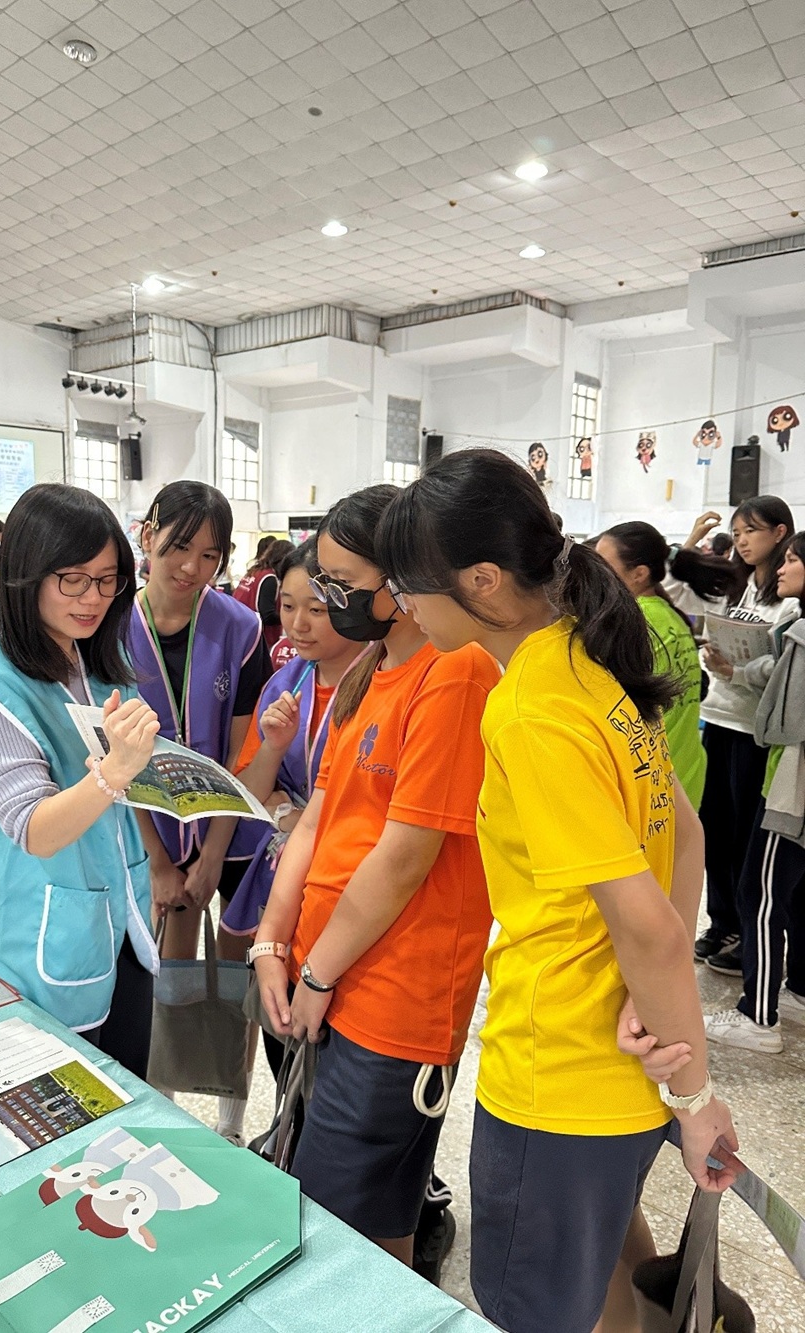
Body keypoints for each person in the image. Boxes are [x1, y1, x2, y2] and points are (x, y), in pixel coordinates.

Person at [378, 449, 738, 1333]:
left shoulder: (531, 709)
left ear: (483, 580)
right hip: (620, 1071)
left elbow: (651, 927)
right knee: (607, 1262)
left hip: (559, 1072)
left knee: (534, 1305)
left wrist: (697, 1097)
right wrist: (665, 1023)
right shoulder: (592, 657)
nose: (400, 603)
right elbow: (683, 836)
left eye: (408, 583)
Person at [253, 484, 499, 1270]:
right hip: (328, 972)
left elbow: (404, 855)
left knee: (352, 1230)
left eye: (340, 584)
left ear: (401, 579)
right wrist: (271, 940)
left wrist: (318, 971)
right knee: (339, 1206)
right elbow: (317, 821)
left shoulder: (455, 671)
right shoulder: (370, 669)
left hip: (394, 996)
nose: (327, 601)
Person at [0, 484, 160, 1077]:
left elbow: (125, 793)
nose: (93, 598)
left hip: (122, 924)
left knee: (129, 1089)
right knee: (64, 1109)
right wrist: (115, 771)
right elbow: (35, 830)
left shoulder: (97, 662)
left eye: (108, 580)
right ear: (27, 575)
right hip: (40, 937)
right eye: (73, 579)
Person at [128, 481, 271, 1134]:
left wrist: (213, 852)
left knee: (237, 981)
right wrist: (160, 862)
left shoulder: (240, 628)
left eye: (210, 555)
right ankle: (165, 1113)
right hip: (150, 826)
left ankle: (232, 1123)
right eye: (179, 546)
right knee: (173, 974)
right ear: (148, 534)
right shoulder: (112, 627)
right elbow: (112, 757)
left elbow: (242, 752)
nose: (191, 567)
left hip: (231, 831)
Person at [222, 539, 365, 1065]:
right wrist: (275, 750)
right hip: (283, 881)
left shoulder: (380, 683)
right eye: (287, 606)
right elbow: (251, 790)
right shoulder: (285, 683)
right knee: (280, 1031)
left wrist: (293, 811)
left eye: (317, 610)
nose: (298, 624)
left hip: (350, 886)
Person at [705, 531, 805, 1052]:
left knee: (759, 892)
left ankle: (758, 1016)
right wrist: (742, 669)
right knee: (796, 889)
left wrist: (748, 692)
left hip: (792, 785)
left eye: (791, 559)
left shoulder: (801, 633)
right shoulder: (796, 629)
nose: (782, 569)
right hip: (791, 780)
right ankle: (800, 987)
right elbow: (776, 667)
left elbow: (787, 713)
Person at [697, 496, 799, 972]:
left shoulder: (790, 599)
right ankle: (722, 922)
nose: (741, 541)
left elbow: (780, 668)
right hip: (717, 717)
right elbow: (681, 593)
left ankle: (746, 928)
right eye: (736, 532)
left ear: (779, 533)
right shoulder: (737, 588)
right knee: (714, 828)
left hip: (753, 730)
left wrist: (736, 670)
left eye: (751, 531)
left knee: (745, 834)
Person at [595, 522, 738, 809]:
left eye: (603, 565)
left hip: (649, 780)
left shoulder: (632, 623)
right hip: (685, 772)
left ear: (639, 574)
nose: (595, 573)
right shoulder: (672, 616)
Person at [234, 538, 295, 651]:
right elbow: (267, 615)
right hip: (259, 638)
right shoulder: (269, 578)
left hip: (241, 631)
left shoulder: (254, 571)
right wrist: (290, 617)